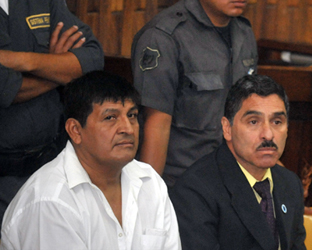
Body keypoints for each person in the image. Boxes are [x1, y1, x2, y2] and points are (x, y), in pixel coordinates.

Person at [131, 0, 268, 186]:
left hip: (232, 183)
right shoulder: (165, 37)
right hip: (181, 187)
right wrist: (150, 206)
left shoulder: (243, 33)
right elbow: (155, 130)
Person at [0, 0, 104, 223]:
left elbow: (91, 57)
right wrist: (58, 66)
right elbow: (6, 90)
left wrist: (24, 60)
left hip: (52, 166)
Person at [0, 71, 181, 250]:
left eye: (132, 115)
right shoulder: (51, 200)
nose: (128, 129)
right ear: (76, 130)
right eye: (110, 117)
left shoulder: (150, 181)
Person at [170, 74, 306, 250]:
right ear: (227, 128)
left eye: (277, 121)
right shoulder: (195, 191)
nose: (268, 134)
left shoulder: (290, 183)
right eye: (254, 121)